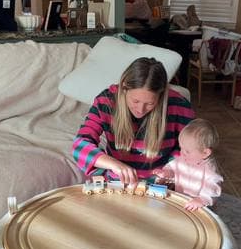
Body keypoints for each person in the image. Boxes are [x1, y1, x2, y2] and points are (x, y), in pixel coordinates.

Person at [72, 57, 195, 185]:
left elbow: (192, 150)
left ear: (162, 94)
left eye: (150, 103)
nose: (141, 110)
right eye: (135, 101)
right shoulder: (106, 101)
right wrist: (115, 165)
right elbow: (79, 146)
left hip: (162, 184)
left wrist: (171, 169)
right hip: (117, 182)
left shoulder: (179, 105)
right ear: (124, 88)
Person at [153, 118, 223, 211]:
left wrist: (201, 199)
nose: (182, 153)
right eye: (181, 148)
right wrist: (166, 172)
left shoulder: (209, 169)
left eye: (187, 151)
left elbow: (213, 188)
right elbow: (173, 168)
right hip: (183, 199)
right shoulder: (184, 159)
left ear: (205, 153)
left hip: (201, 205)